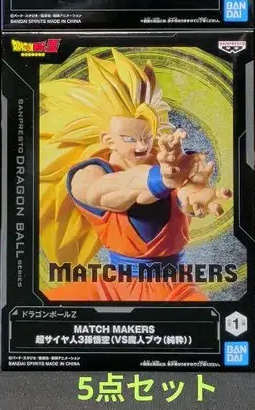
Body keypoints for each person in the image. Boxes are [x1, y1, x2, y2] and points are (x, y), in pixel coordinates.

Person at [39, 49, 229, 301]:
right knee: (42, 310)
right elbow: (107, 192)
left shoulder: (170, 161)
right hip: (112, 288)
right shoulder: (87, 173)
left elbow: (185, 188)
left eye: (146, 137)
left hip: (175, 289)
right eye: (130, 139)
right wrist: (161, 180)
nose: (142, 146)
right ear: (108, 139)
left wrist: (192, 190)